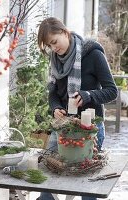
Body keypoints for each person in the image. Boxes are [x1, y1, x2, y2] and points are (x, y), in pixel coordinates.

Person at [36, 17, 118, 200]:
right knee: (47, 179)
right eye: (49, 45)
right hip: (62, 128)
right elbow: (53, 93)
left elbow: (112, 91)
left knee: (86, 187)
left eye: (54, 42)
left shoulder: (93, 54)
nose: (53, 48)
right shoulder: (55, 61)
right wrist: (55, 107)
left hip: (90, 131)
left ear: (65, 32)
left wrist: (89, 95)